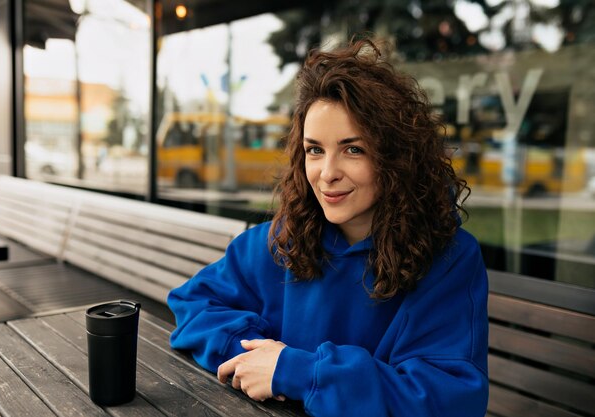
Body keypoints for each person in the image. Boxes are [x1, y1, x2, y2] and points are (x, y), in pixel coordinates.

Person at [167, 38, 489, 417]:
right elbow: (193, 303)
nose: (328, 173)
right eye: (314, 150)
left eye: (354, 149)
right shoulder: (283, 239)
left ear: (395, 158)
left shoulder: (448, 260)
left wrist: (299, 372)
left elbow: (448, 398)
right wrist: (255, 358)